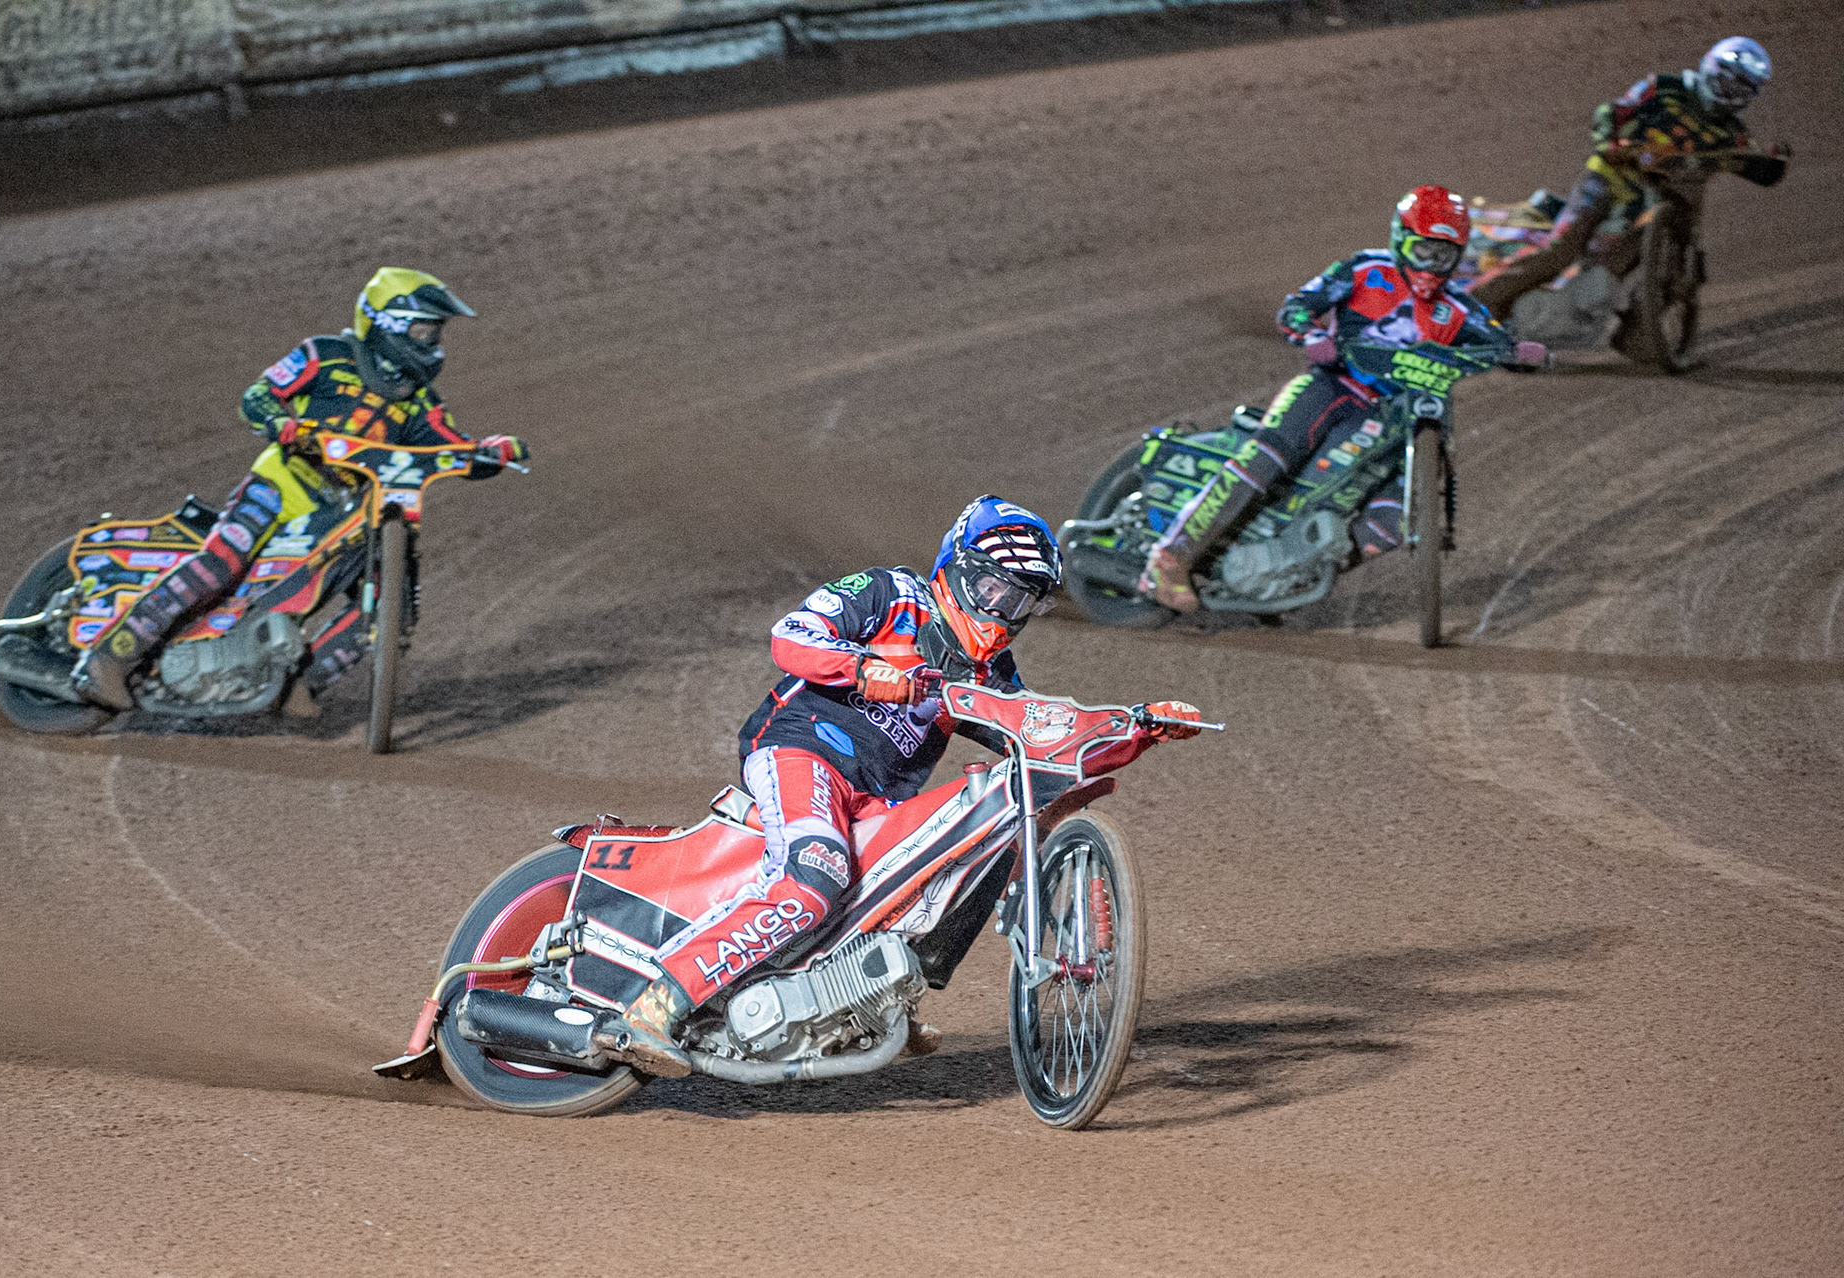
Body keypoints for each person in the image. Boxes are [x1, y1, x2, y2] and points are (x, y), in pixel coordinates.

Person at [593, 496, 1204, 1076]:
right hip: (802, 751)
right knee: (816, 876)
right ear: (956, 570)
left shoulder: (989, 670)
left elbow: (1036, 737)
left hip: (878, 799)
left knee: (949, 864)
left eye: (1019, 603)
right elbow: (791, 637)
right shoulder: (892, 593)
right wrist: (865, 669)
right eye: (992, 588)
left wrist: (1140, 728)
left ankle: (877, 999)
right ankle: (658, 1003)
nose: (1000, 612)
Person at [76, 268, 529, 708]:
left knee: (393, 612)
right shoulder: (325, 355)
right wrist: (281, 424)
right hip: (282, 483)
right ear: (389, 323)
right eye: (426, 330)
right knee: (220, 562)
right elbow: (259, 395)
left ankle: (299, 685)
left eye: (436, 333)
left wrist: (491, 452)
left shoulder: (421, 402)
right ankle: (110, 656)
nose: (433, 343)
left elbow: (453, 450)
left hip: (345, 512)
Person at [1139, 185, 1544, 613]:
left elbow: (1500, 341)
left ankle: (1287, 574)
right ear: (1401, 239)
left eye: (1443, 256)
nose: (1432, 266)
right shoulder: (1365, 269)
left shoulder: (1459, 308)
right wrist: (1311, 334)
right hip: (1334, 386)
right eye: (1424, 251)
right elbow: (1298, 306)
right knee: (1268, 457)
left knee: (1395, 520)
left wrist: (1523, 352)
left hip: (1399, 417)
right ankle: (1171, 558)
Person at [1474, 36, 1788, 323]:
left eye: (1742, 89)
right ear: (1711, 69)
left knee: (1611, 274)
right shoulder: (1664, 87)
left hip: (1661, 207)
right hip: (1612, 178)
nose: (1731, 93)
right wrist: (1610, 142)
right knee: (1563, 249)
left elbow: (1758, 171)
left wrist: (1775, 163)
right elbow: (1614, 112)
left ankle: (1637, 337)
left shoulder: (1734, 135)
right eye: (1728, 82)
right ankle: (1478, 303)